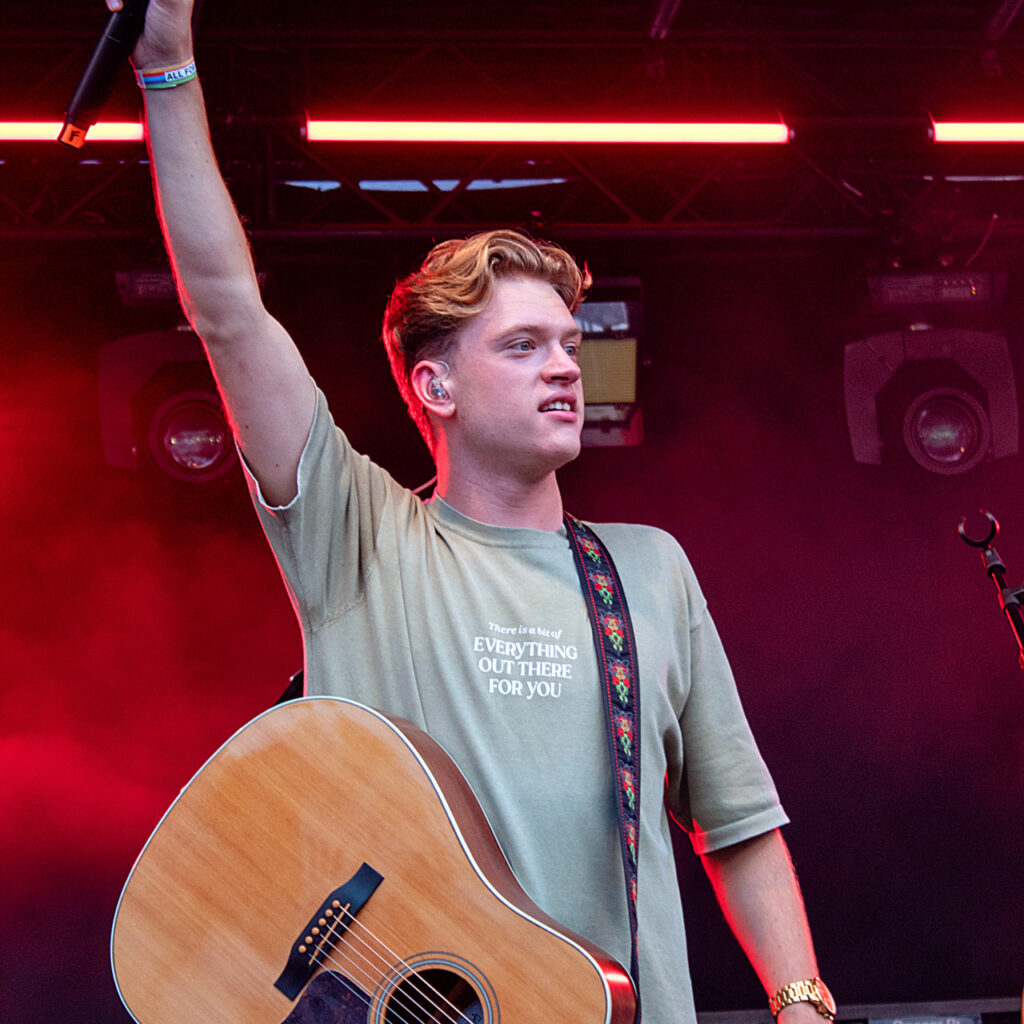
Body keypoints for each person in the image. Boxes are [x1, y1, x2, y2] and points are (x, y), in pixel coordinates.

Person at [110, 2, 837, 1022]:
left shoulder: (648, 570)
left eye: (569, 345)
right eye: (522, 345)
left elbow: (739, 824)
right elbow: (228, 312)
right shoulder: (360, 539)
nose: (563, 368)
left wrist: (801, 1001)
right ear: (434, 388)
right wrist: (169, 70)